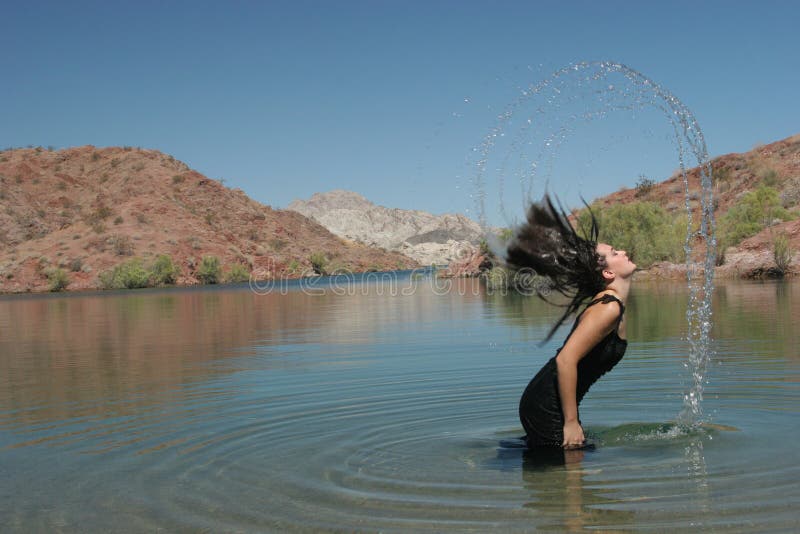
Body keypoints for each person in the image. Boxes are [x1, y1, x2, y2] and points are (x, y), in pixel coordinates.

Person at [505, 194, 636, 449]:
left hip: (549, 403)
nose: (624, 252)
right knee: (570, 476)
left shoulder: (611, 304)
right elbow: (565, 360)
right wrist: (571, 422)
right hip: (546, 406)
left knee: (568, 463)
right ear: (608, 272)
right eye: (615, 252)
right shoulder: (607, 308)